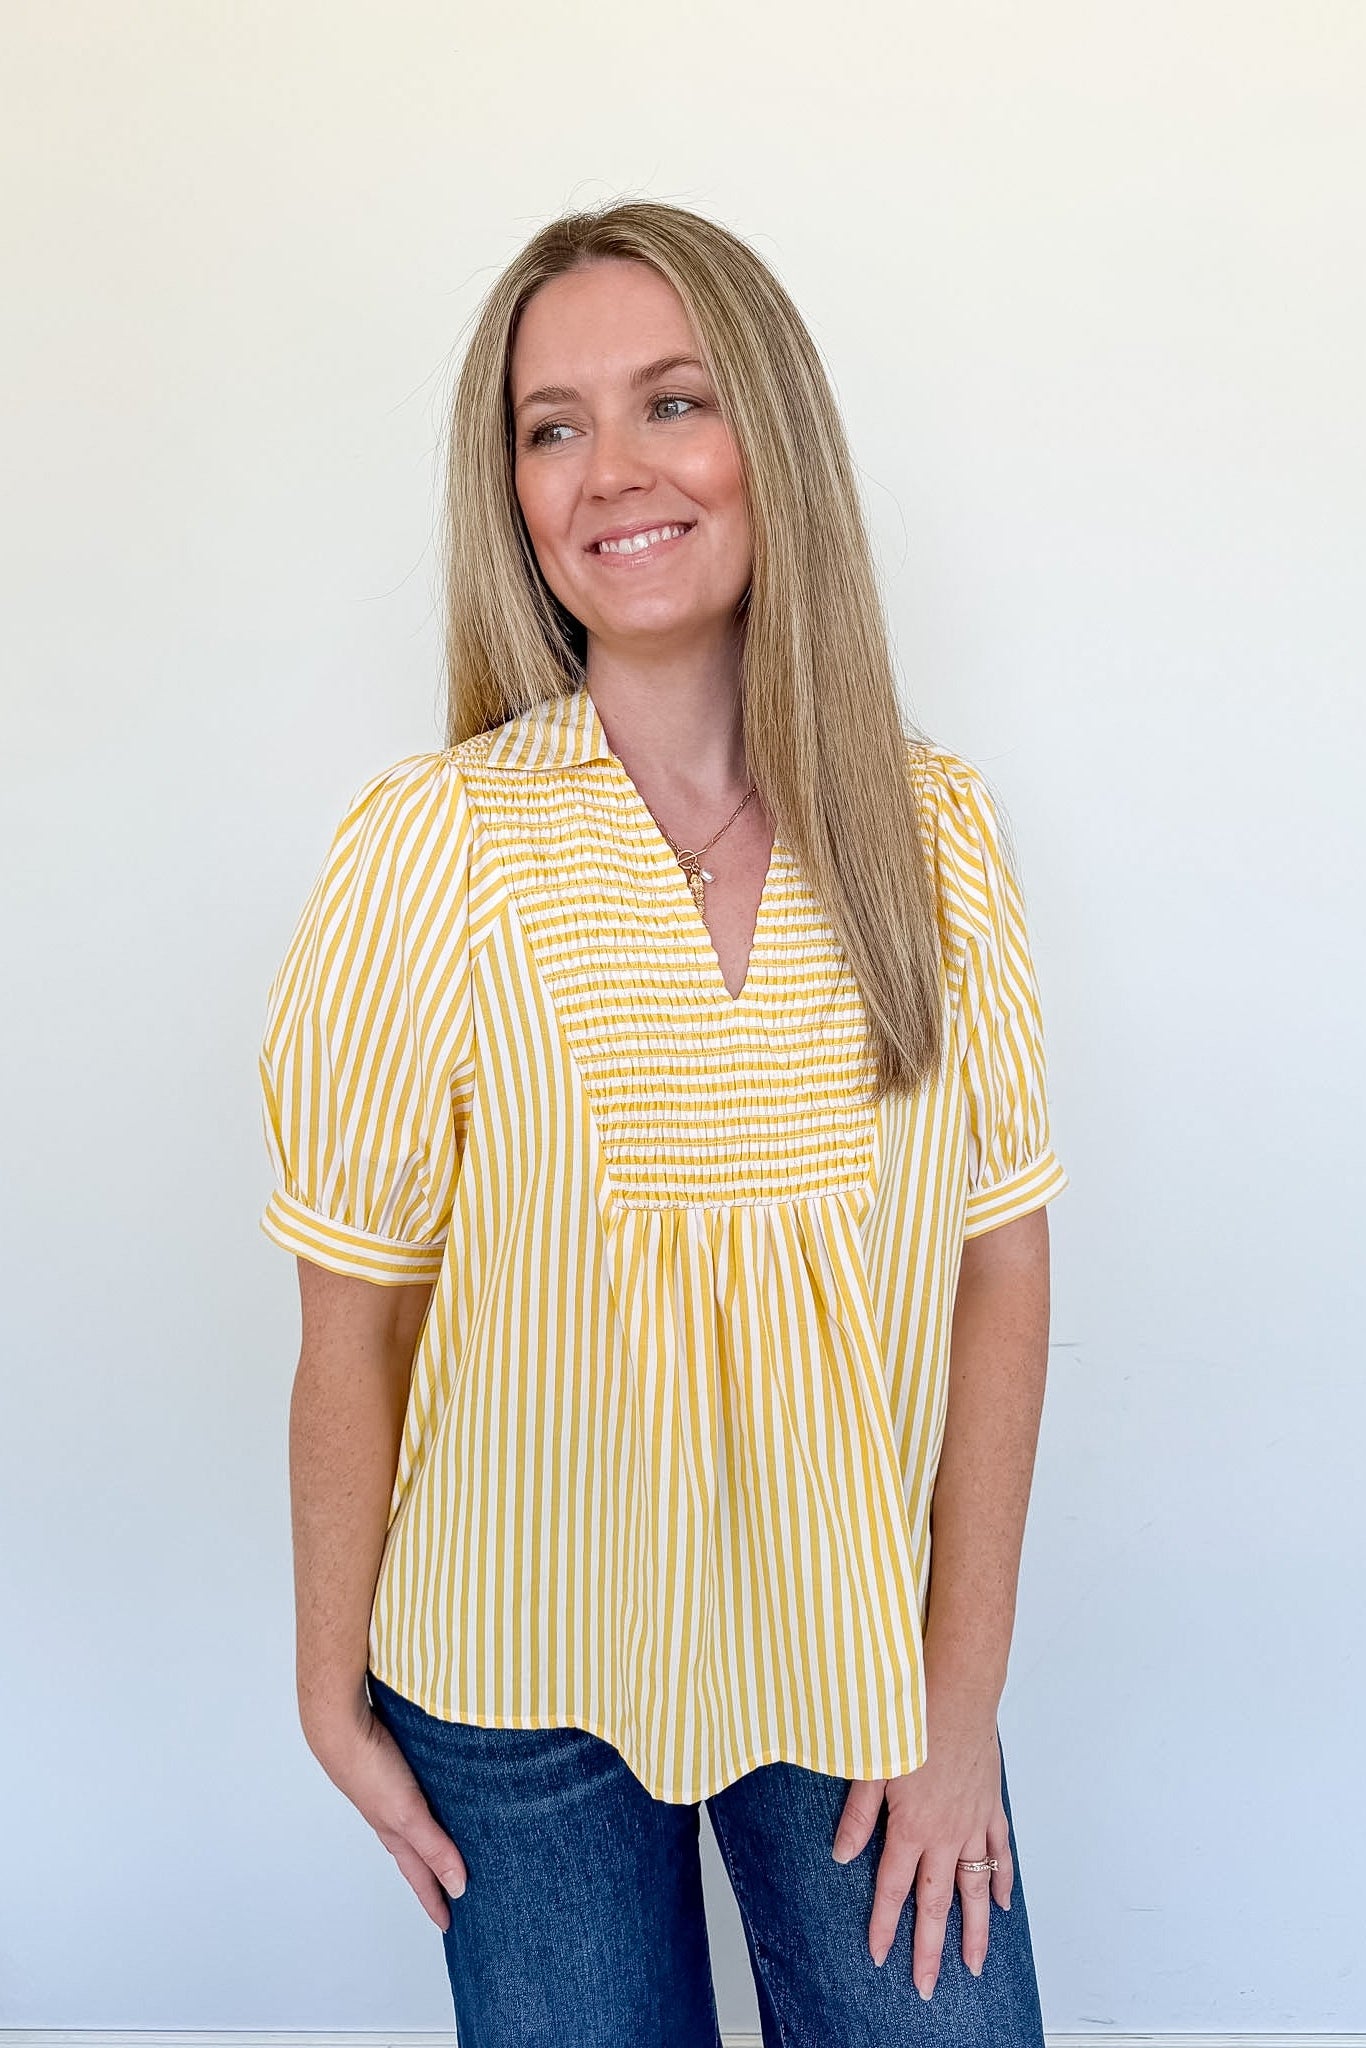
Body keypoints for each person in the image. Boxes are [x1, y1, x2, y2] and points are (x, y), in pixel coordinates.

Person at [258, 199, 1069, 2047]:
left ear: (768, 438)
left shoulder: (930, 837)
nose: (609, 470)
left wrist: (960, 1705)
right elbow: (352, 1314)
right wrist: (328, 1687)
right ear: (515, 494)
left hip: (853, 1653)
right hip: (511, 1677)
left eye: (670, 402)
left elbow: (997, 1271)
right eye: (551, 426)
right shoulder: (435, 849)